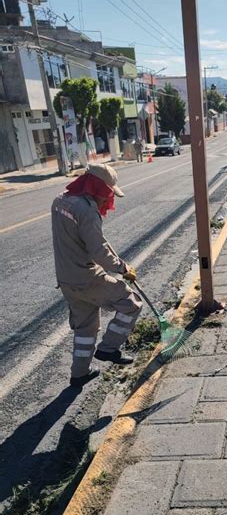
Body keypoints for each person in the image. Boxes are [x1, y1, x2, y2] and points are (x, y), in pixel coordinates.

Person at [51, 164, 143, 387]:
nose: (108, 199)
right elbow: (98, 251)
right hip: (87, 278)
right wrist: (122, 269)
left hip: (66, 280)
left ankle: (79, 374)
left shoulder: (60, 201)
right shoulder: (86, 210)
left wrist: (118, 260)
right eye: (108, 193)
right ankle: (109, 348)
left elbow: (93, 241)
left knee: (85, 328)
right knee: (131, 303)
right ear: (98, 188)